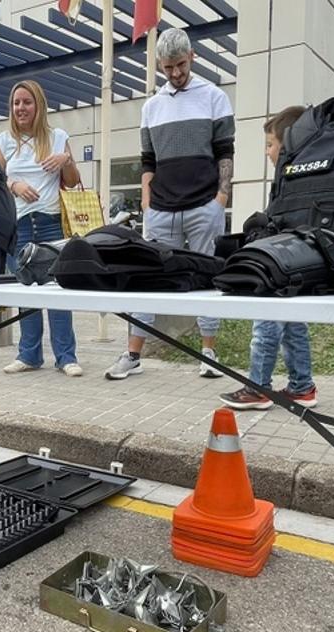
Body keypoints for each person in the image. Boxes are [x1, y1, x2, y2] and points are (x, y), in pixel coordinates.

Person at [104, 27, 234, 382]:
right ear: (160, 65)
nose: (175, 74)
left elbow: (225, 153)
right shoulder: (151, 106)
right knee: (148, 281)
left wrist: (220, 200)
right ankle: (133, 355)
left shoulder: (214, 97)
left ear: (191, 56)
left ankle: (209, 353)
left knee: (208, 279)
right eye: (167, 68)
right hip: (160, 208)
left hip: (203, 205)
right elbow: (148, 160)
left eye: (179, 65)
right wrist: (147, 201)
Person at [219, 106, 318, 410]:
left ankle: (258, 387)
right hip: (299, 265)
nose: (267, 152)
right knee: (293, 325)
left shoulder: (290, 180)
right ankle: (302, 386)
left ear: (287, 145)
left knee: (266, 322)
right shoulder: (307, 176)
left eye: (270, 144)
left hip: (281, 264)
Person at [0, 79, 83, 376]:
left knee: (58, 290)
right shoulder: (4, 140)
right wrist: (13, 183)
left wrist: (65, 159)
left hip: (50, 222)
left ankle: (66, 356)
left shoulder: (57, 137)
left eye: (26, 102)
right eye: (16, 103)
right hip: (19, 225)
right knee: (26, 291)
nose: (20, 108)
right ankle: (29, 355)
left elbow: (71, 181)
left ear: (38, 105)